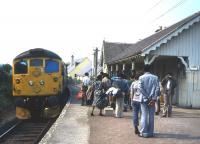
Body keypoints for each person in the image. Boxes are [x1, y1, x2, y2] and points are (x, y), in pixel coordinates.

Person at [138, 65, 160, 138]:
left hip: (144, 99)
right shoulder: (155, 77)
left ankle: (144, 132)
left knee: (144, 115)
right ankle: (151, 133)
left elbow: (140, 88)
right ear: (150, 70)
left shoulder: (141, 77)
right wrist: (153, 98)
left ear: (144, 70)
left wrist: (147, 97)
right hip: (152, 100)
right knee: (151, 116)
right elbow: (157, 89)